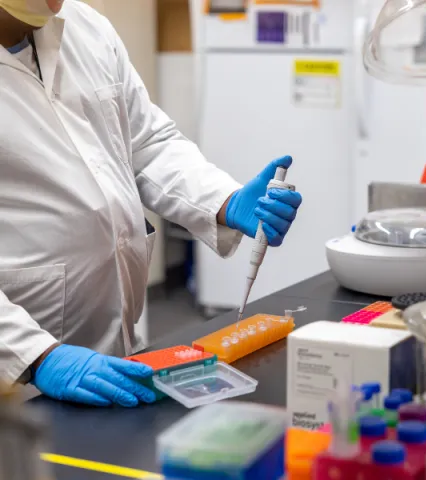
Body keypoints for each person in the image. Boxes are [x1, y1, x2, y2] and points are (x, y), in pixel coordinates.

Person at [0, 0, 303, 407]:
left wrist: (223, 200)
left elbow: (146, 143)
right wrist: (35, 354)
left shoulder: (85, 26)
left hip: (115, 349)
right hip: (17, 373)